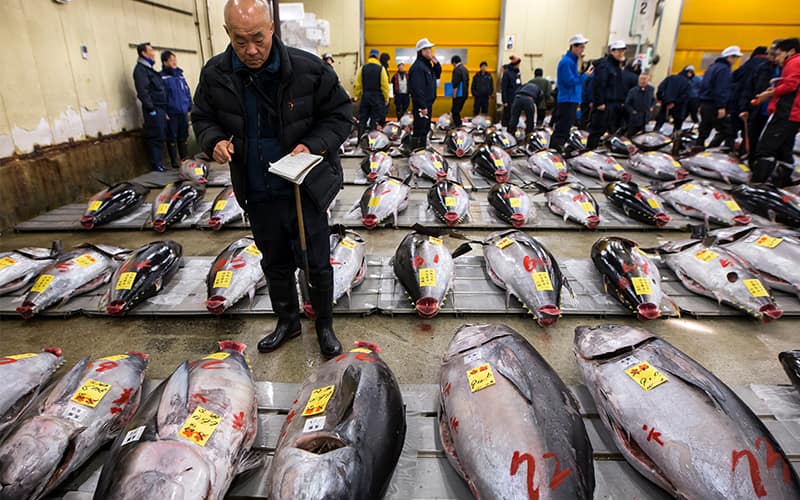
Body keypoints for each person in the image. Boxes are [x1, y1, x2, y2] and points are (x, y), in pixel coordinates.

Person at [192, 0, 351, 357]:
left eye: (258, 39)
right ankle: (288, 321)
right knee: (274, 262)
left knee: (317, 263)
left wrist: (311, 145)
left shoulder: (308, 69)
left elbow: (340, 116)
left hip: (303, 190)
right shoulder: (215, 73)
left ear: (272, 28)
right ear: (227, 34)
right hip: (256, 190)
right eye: (240, 41)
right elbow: (202, 117)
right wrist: (213, 140)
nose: (251, 50)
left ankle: (324, 324)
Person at [752, 37, 800, 185]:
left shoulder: (794, 62)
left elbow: (791, 85)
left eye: (779, 54)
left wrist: (769, 94)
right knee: (784, 149)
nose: (776, 58)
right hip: (793, 116)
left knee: (765, 148)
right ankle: (782, 181)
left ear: (790, 52)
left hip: (787, 114)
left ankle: (757, 186)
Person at [550, 34, 592, 151]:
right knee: (562, 127)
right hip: (567, 99)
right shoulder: (567, 62)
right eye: (581, 47)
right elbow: (569, 81)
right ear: (573, 47)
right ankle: (555, 150)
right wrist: (585, 76)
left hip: (571, 99)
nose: (582, 50)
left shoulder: (572, 61)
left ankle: (558, 148)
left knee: (566, 127)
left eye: (583, 47)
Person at [696, 45, 742, 150]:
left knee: (704, 130)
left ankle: (697, 150)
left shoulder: (712, 67)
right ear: (730, 57)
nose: (736, 60)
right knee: (727, 131)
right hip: (714, 105)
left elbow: (703, 85)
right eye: (735, 58)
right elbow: (721, 88)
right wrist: (721, 106)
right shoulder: (724, 70)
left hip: (705, 103)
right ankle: (722, 152)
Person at [133, 42, 168, 172]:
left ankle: (160, 163)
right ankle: (156, 164)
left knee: (161, 136)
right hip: (153, 109)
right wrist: (151, 108)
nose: (153, 53)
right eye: (151, 51)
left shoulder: (149, 69)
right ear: (143, 53)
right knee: (155, 137)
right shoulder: (140, 70)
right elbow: (143, 91)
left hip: (160, 108)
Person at [587, 40, 627, 149]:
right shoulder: (605, 66)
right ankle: (590, 152)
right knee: (597, 130)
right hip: (604, 105)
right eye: (618, 51)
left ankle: (596, 152)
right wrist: (599, 102)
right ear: (612, 51)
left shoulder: (616, 67)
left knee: (607, 130)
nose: (621, 53)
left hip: (612, 104)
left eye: (622, 51)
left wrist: (620, 101)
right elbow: (599, 84)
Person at [732, 46, 769, 156]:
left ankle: (736, 152)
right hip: (758, 106)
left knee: (732, 131)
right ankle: (747, 156)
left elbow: (735, 78)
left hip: (740, 101)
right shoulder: (767, 67)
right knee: (751, 134)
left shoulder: (748, 65)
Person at [160, 50, 192, 168]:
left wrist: (190, 105)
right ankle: (175, 160)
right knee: (172, 136)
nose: (174, 62)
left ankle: (185, 157)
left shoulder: (180, 75)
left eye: (175, 60)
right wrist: (164, 111)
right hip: (171, 112)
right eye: (171, 60)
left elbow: (186, 91)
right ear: (165, 62)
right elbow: (162, 96)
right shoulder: (163, 77)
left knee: (183, 135)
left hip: (183, 110)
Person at [748, 43, 781, 154]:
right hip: (760, 111)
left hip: (777, 114)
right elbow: (749, 88)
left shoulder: (788, 69)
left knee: (771, 146)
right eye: (769, 54)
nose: (770, 57)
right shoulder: (762, 68)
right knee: (755, 141)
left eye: (773, 54)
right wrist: (745, 108)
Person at [409, 38, 441, 148]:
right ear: (422, 51)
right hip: (422, 105)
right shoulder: (418, 67)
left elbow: (437, 75)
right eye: (428, 50)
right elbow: (417, 89)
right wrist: (422, 106)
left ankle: (422, 151)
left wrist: (436, 64)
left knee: (425, 128)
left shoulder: (427, 66)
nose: (431, 52)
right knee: (420, 128)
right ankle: (417, 152)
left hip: (427, 103)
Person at [354, 49, 390, 134]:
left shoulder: (362, 68)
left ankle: (360, 140)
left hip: (365, 96)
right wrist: (386, 98)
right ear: (377, 57)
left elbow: (358, 84)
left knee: (362, 120)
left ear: (369, 56)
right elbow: (385, 85)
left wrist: (357, 96)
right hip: (377, 98)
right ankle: (372, 141)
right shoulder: (381, 69)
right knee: (374, 120)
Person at [654, 66, 691, 132]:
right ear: (688, 73)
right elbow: (685, 96)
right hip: (679, 107)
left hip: (665, 104)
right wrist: (674, 103)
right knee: (677, 125)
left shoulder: (670, 78)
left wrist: (661, 99)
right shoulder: (687, 83)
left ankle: (654, 134)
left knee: (660, 121)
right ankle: (675, 138)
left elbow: (660, 88)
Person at [625, 72, 655, 137]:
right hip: (635, 119)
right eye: (641, 79)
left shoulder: (651, 89)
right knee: (631, 135)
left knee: (643, 136)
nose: (642, 81)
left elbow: (653, 99)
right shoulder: (633, 91)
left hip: (646, 118)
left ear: (648, 80)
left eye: (644, 79)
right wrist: (633, 112)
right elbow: (627, 104)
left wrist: (652, 107)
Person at [500, 55, 522, 126]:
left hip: (516, 98)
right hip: (509, 98)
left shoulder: (517, 72)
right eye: (518, 64)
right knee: (507, 115)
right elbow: (504, 87)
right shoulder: (507, 73)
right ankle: (505, 129)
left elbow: (519, 83)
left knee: (514, 115)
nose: (519, 66)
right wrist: (504, 100)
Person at [450, 55, 469, 127]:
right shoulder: (465, 69)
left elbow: (456, 82)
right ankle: (458, 123)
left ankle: (457, 124)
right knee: (457, 110)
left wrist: (454, 93)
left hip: (458, 94)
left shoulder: (457, 69)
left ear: (454, 62)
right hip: (464, 93)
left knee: (455, 110)